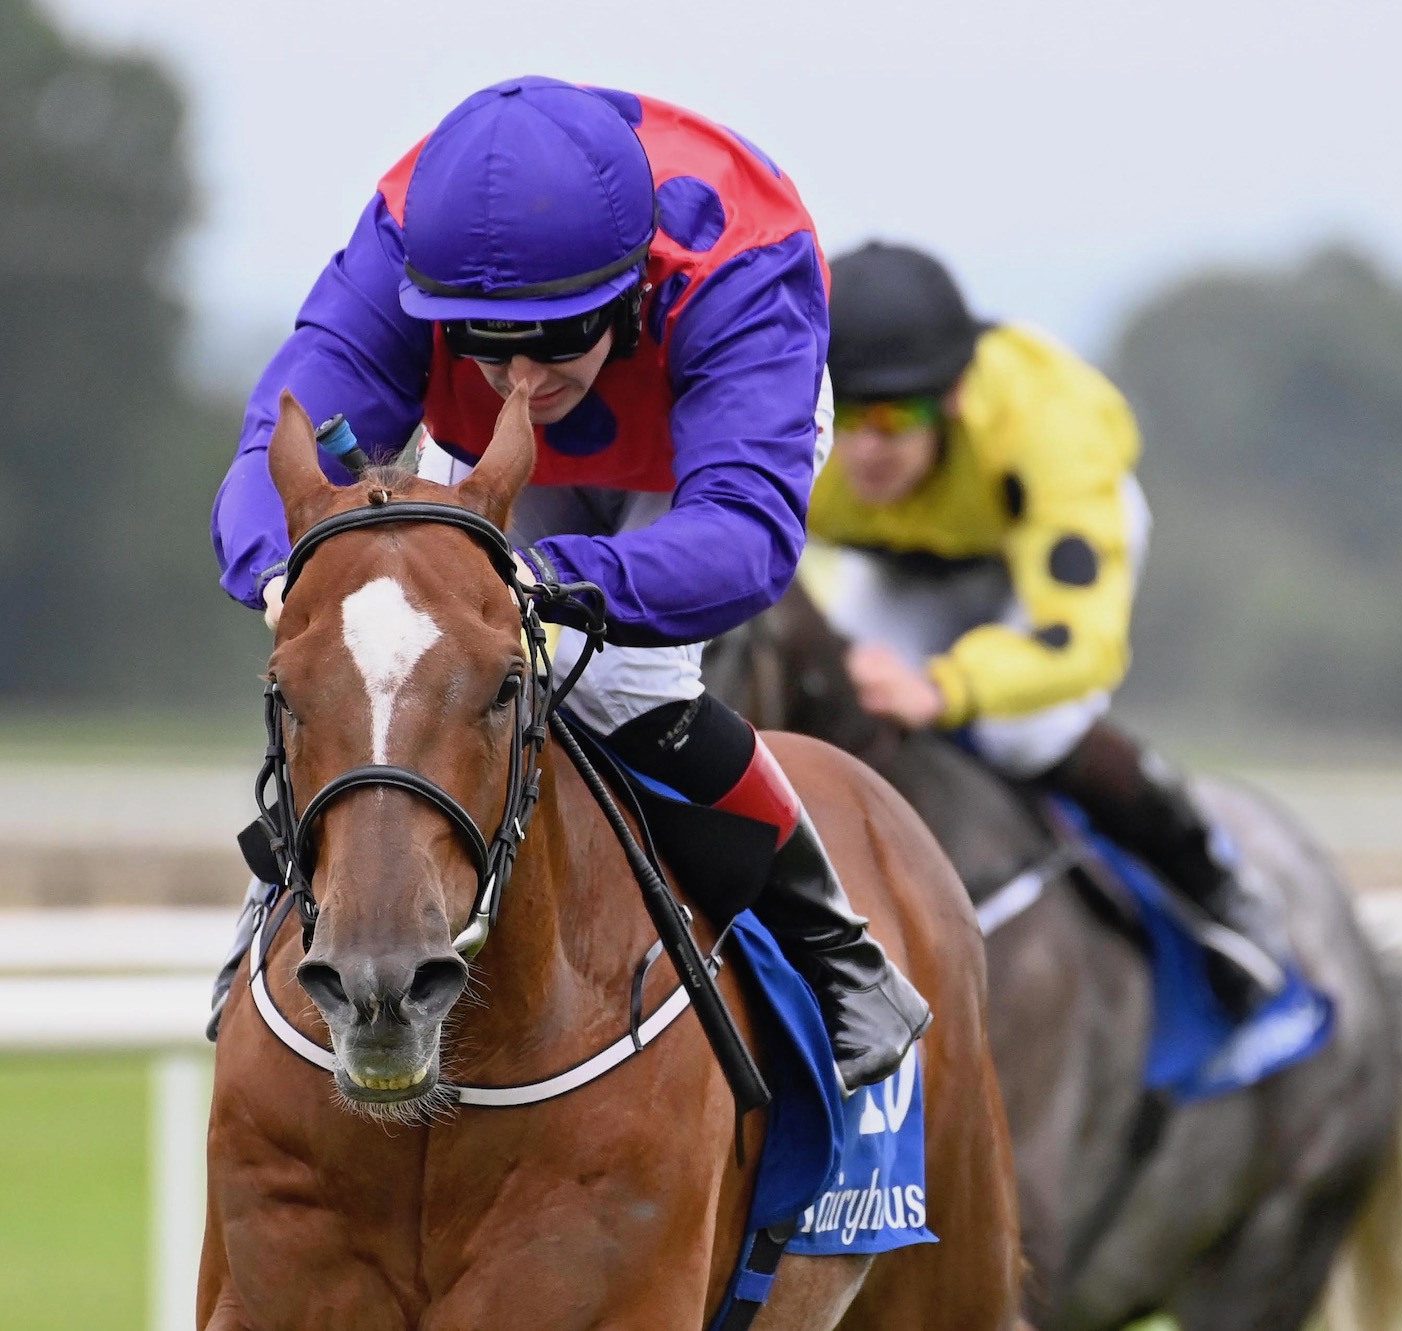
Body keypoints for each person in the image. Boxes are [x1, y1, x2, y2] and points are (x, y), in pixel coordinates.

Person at [207, 77, 928, 1091]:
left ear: (632, 291)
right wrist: (285, 571)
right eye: (487, 348)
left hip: (698, 452)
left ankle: (838, 948)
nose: (525, 385)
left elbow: (746, 537)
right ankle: (267, 912)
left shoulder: (740, 271)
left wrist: (546, 581)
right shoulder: (404, 238)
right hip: (494, 462)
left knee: (620, 681)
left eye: (554, 341)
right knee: (388, 658)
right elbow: (271, 443)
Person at [805, 240, 1287, 1016]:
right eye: (848, 413)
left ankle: (1220, 890)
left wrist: (944, 686)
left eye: (895, 418)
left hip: (1035, 560)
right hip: (900, 562)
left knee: (1025, 731)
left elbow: (1078, 644)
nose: (864, 448)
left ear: (956, 394)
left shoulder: (1049, 429)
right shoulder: (803, 433)